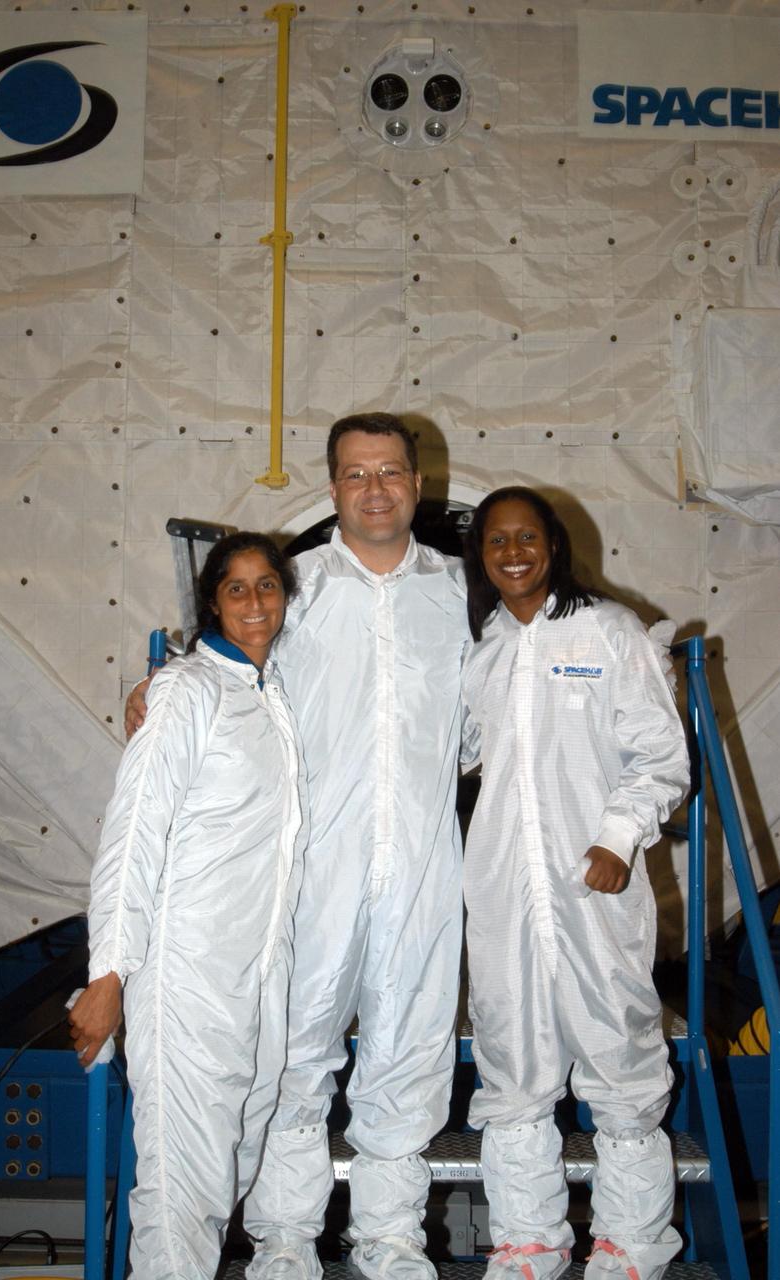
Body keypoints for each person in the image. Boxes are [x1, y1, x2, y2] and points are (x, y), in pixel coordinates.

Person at [126, 413, 469, 1280]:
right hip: (314, 864)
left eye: (390, 472)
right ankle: (284, 1238)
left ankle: (391, 1237)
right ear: (332, 488)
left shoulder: (460, 593)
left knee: (408, 1048)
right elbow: (226, 667)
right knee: (293, 1053)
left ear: (418, 483)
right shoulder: (297, 588)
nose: (375, 489)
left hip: (424, 862)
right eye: (356, 474)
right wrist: (159, 680)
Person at [460, 487, 690, 1280]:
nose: (513, 552)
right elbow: (449, 747)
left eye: (526, 537)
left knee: (619, 1053)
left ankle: (631, 1246)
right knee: (511, 1060)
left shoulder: (610, 630)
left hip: (593, 887)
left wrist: (617, 836)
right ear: (481, 555)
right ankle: (528, 1244)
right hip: (503, 888)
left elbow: (660, 755)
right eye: (497, 540)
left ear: (553, 544)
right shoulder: (483, 648)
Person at [69, 532, 306, 1280]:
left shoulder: (271, 694)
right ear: (211, 603)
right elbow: (133, 831)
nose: (255, 602)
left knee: (230, 1163)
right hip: (186, 974)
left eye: (268, 585)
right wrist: (108, 974)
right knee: (181, 1187)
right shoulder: (186, 691)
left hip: (257, 972)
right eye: (237, 588)